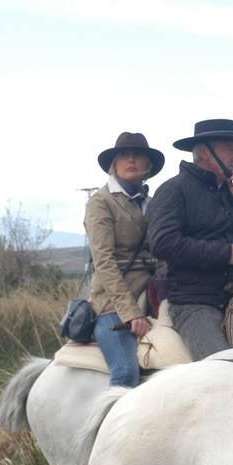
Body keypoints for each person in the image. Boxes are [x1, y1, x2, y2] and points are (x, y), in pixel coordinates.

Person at [147, 119, 233, 359]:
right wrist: (226, 253)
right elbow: (163, 243)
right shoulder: (173, 190)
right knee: (225, 365)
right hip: (195, 303)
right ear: (205, 151)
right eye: (229, 149)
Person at [84, 131, 164, 388]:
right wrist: (130, 313)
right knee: (126, 372)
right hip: (113, 304)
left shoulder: (153, 204)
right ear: (114, 164)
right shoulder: (101, 202)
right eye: (124, 156)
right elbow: (104, 261)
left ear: (148, 165)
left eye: (138, 155)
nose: (131, 160)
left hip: (153, 297)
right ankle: (109, 427)